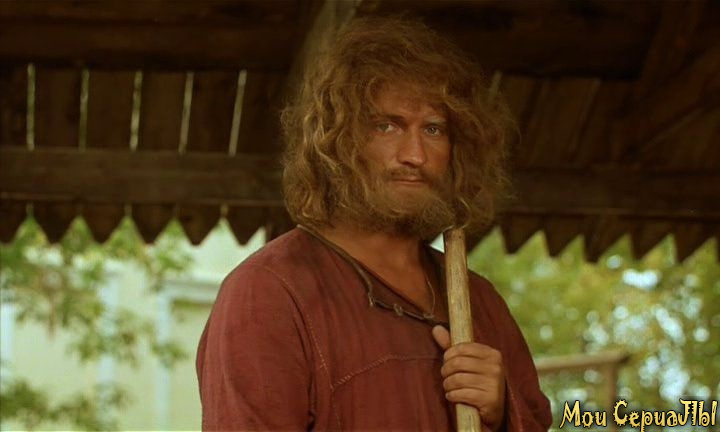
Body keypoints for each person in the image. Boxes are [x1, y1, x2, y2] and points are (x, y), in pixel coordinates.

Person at [197, 17, 552, 431]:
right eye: (387, 126)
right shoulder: (268, 293)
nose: (415, 155)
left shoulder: (481, 302)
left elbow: (535, 420)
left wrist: (502, 411)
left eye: (434, 129)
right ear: (337, 140)